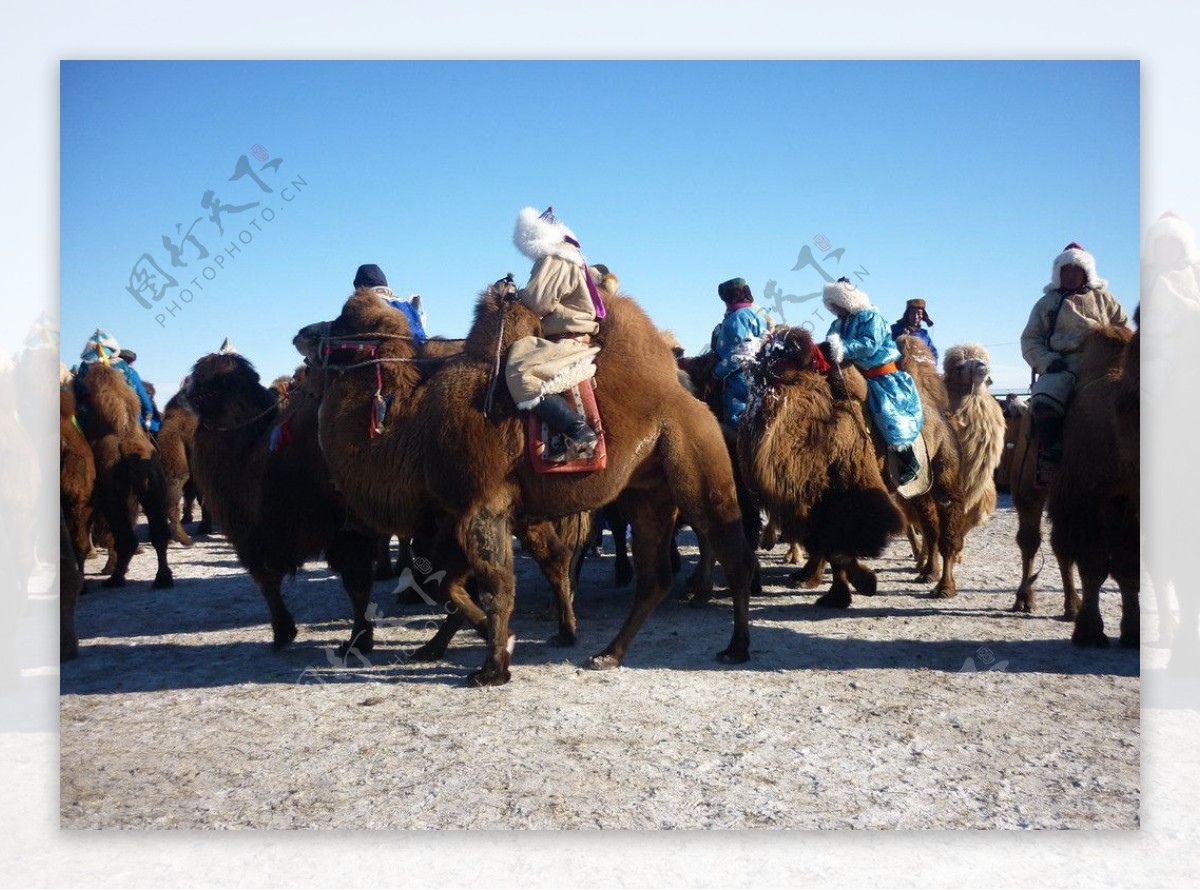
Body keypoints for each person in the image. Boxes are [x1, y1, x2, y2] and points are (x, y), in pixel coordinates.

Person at [505, 206, 606, 462]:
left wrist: (511, 298)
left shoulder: (557, 256)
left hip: (568, 341)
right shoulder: (567, 253)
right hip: (567, 337)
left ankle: (579, 432)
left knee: (519, 370)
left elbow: (538, 301)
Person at [1020, 242, 1129, 470]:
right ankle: (1053, 449)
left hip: (1103, 362)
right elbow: (1030, 339)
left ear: (1086, 272)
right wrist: (1047, 362)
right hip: (1062, 364)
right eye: (1065, 269)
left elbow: (1124, 330)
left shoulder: (1105, 299)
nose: (1070, 274)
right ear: (1058, 273)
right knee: (1044, 399)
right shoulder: (1045, 303)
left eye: (1076, 269)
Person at [821, 277, 924, 485]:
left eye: (838, 302)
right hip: (853, 376)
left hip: (882, 377)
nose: (835, 308)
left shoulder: (871, 317)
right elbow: (830, 344)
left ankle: (908, 459)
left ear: (847, 300)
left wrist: (842, 348)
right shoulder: (838, 323)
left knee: (888, 414)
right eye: (832, 304)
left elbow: (869, 344)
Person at [711, 277, 772, 429]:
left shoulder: (738, 317)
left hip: (739, 377)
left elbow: (741, 352)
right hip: (757, 374)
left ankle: (739, 448)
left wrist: (717, 372)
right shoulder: (757, 314)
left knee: (737, 418)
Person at [74, 329, 158, 432]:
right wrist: (148, 414)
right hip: (126, 420)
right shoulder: (127, 369)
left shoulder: (84, 368)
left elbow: (76, 393)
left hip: (89, 421)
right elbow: (140, 395)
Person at [352, 263, 428, 344]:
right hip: (413, 351)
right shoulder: (405, 304)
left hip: (375, 352)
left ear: (359, 287)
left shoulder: (360, 304)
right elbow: (420, 335)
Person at [890, 298, 938, 364]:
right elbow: (888, 347)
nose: (916, 316)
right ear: (907, 315)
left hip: (920, 370)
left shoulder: (924, 335)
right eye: (913, 313)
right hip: (899, 369)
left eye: (919, 314)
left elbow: (934, 353)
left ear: (923, 316)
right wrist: (901, 340)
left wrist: (930, 362)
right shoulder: (895, 329)